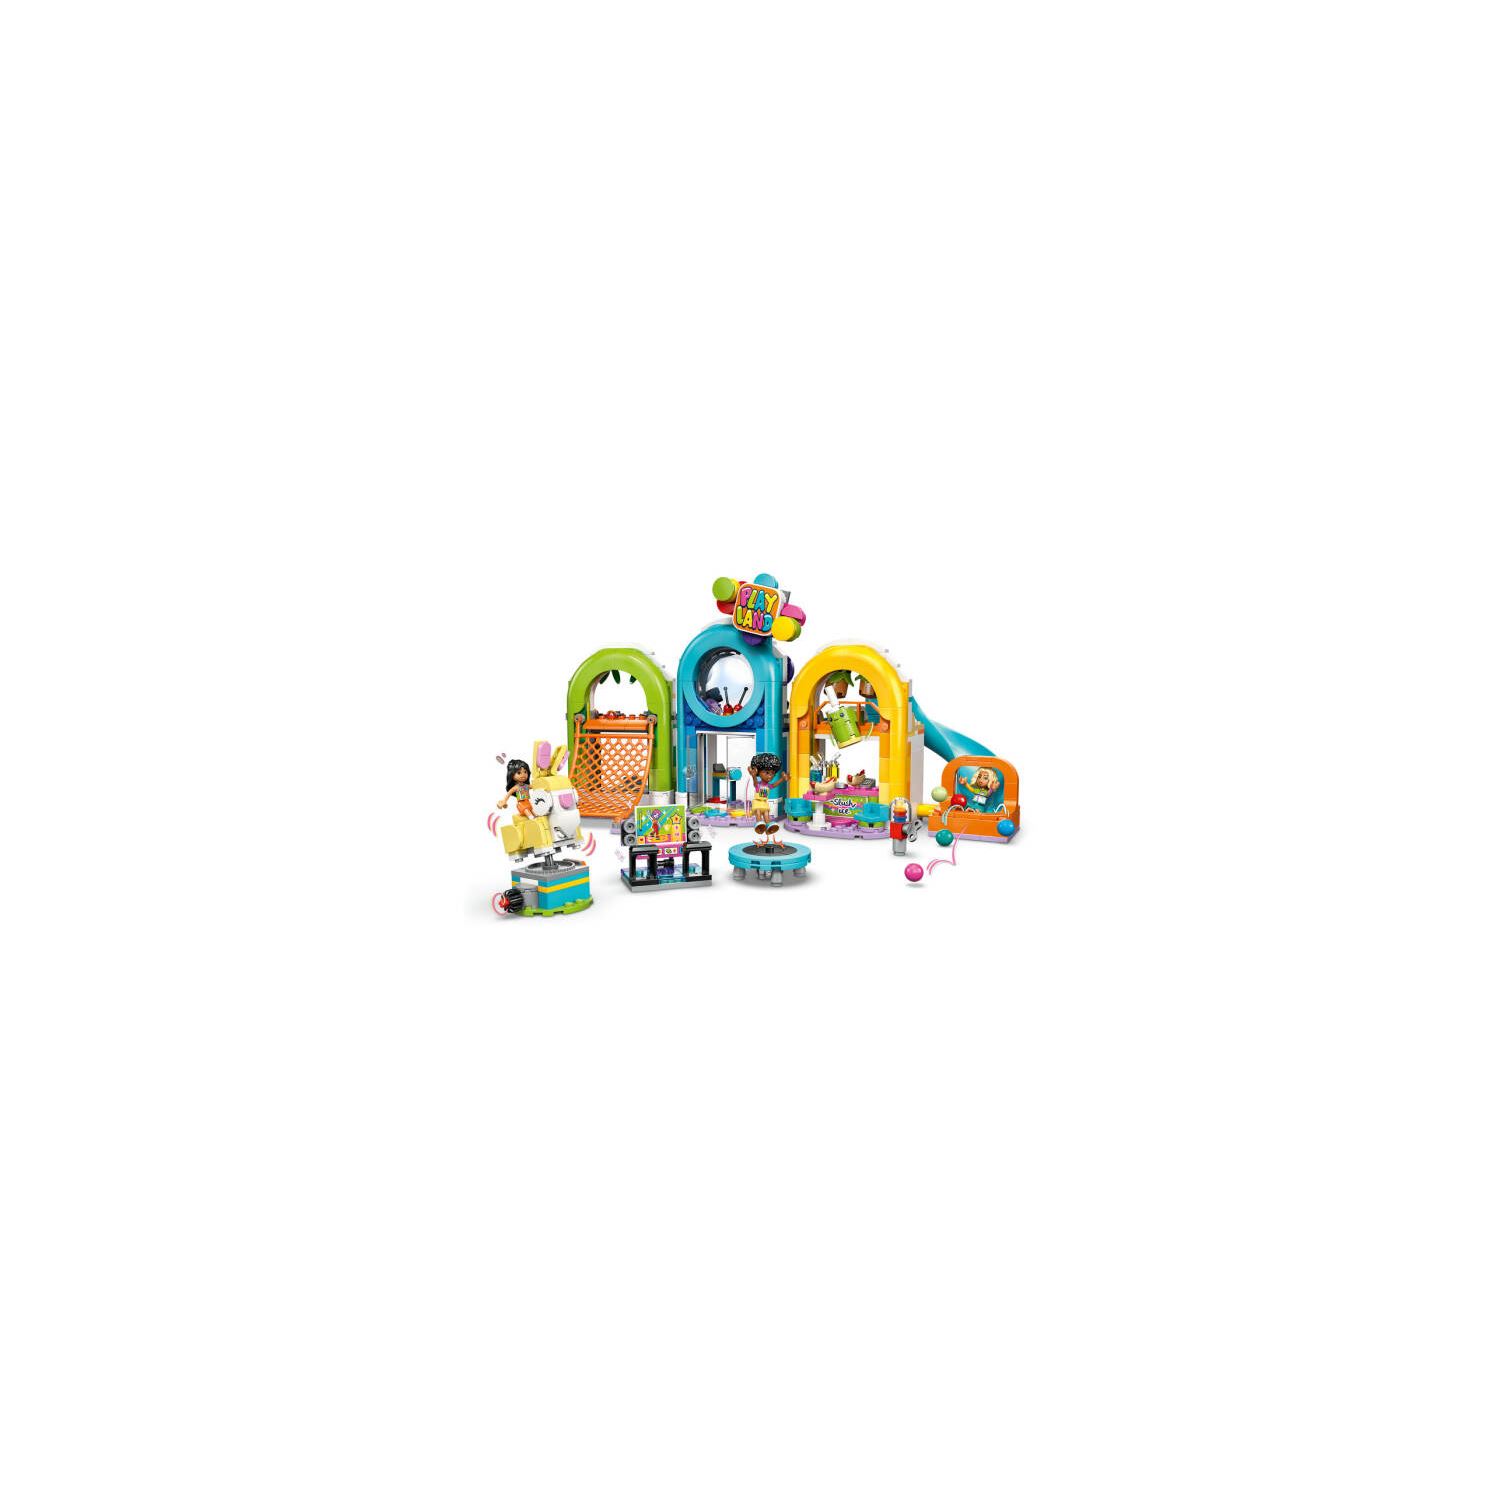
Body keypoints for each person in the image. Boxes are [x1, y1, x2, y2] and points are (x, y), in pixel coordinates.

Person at [747, 751, 787, 821]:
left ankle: (768, 824)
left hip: (764, 803)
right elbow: (755, 783)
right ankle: (759, 824)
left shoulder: (768, 786)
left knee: (766, 813)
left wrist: (782, 779)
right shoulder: (758, 785)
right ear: (758, 772)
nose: (770, 776)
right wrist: (753, 776)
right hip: (757, 802)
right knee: (758, 812)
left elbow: (774, 785)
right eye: (767, 773)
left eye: (772, 773)